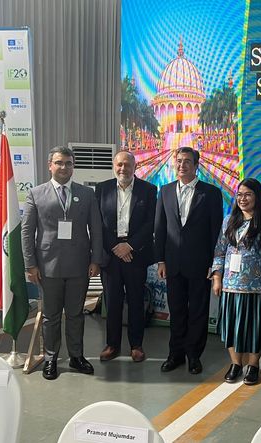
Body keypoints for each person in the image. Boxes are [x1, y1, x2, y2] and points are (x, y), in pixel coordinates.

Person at [21, 146, 102, 380]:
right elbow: (27, 233)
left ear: (73, 166)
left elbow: (96, 229)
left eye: (68, 163)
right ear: (50, 166)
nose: (64, 167)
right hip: (47, 267)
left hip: (79, 265)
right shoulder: (36, 194)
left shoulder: (86, 194)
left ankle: (76, 356)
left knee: (76, 314)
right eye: (59, 163)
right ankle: (50, 358)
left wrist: (96, 259)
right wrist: (30, 265)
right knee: (51, 316)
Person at [154, 146, 223, 374]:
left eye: (187, 161)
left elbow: (215, 232)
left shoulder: (211, 193)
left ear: (196, 166)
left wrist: (214, 264)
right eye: (179, 161)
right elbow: (160, 228)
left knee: (198, 313)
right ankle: (175, 355)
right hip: (173, 264)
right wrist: (161, 260)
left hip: (200, 264)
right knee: (177, 311)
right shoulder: (165, 191)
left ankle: (194, 356)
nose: (182, 165)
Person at [211, 178, 261, 385]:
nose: (242, 199)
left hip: (256, 287)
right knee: (231, 327)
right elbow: (220, 252)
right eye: (239, 195)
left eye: (248, 194)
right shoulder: (229, 221)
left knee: (255, 328)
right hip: (230, 286)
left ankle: (253, 365)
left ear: (257, 197)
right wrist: (217, 279)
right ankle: (235, 364)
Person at [95, 151, 157, 363]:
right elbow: (98, 223)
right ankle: (112, 345)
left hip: (135, 255)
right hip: (111, 255)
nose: (123, 169)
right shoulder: (102, 189)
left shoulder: (148, 190)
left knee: (136, 301)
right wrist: (115, 247)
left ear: (135, 167)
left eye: (127, 165)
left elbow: (151, 223)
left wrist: (129, 246)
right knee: (112, 302)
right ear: (114, 166)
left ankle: (136, 345)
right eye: (119, 165)